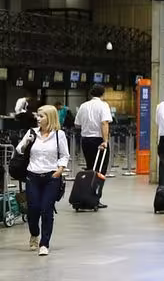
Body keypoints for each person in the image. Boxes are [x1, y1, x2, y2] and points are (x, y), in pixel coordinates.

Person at [16, 105, 69, 256]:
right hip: (32, 175)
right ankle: (34, 233)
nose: (38, 119)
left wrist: (60, 170)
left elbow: (65, 155)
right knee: (33, 209)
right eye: (38, 116)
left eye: (42, 116)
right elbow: (19, 150)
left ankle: (44, 243)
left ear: (50, 118)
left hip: (51, 177)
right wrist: (27, 142)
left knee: (47, 209)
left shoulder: (59, 135)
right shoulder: (31, 133)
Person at [75, 84, 112, 209]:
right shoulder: (103, 105)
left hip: (85, 140)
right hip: (99, 141)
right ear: (103, 94)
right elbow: (104, 122)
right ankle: (95, 198)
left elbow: (77, 123)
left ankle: (87, 196)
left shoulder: (83, 106)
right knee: (100, 171)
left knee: (90, 168)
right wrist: (105, 140)